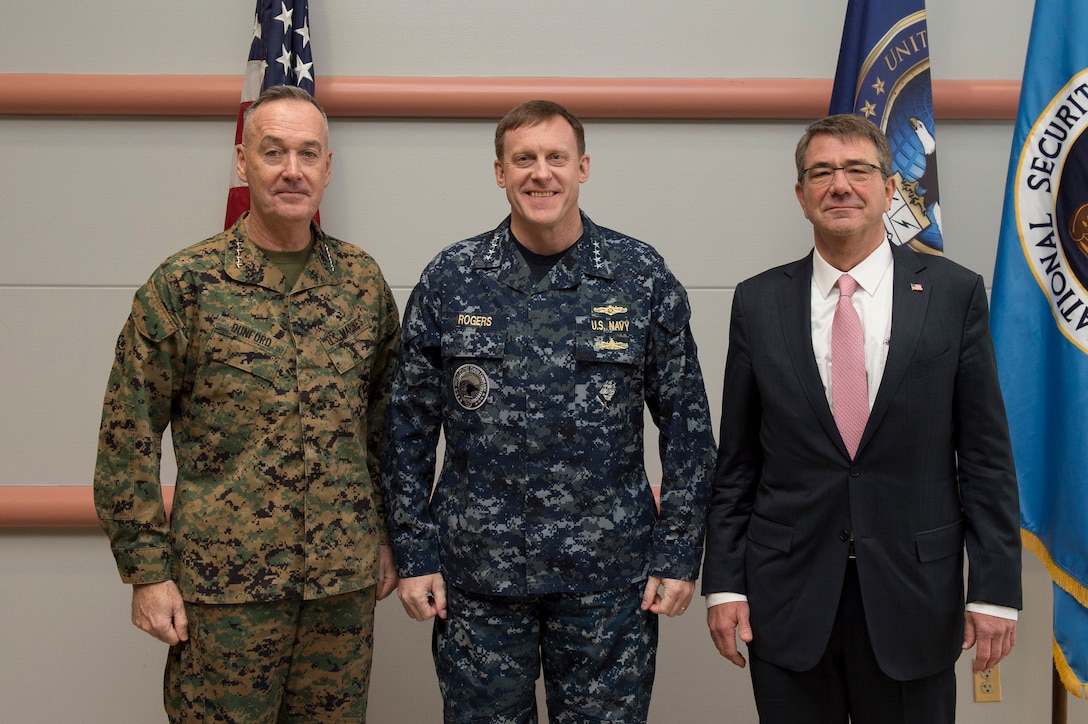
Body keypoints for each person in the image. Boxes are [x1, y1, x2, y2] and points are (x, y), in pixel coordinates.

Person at [381, 99, 715, 723]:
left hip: (607, 580)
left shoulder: (638, 277)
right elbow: (406, 429)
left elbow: (688, 427)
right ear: (500, 172)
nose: (541, 173)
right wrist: (414, 551)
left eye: (555, 157)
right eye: (524, 159)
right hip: (478, 579)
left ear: (582, 167)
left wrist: (677, 552)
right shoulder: (452, 278)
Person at [93, 85, 400, 722]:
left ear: (327, 167)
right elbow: (128, 437)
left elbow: (385, 425)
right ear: (243, 162)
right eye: (274, 152)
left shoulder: (362, 284)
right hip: (224, 595)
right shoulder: (185, 285)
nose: (293, 170)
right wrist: (148, 573)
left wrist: (385, 539)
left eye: (308, 153)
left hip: (338, 592)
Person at [702, 113, 1022, 723]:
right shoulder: (758, 301)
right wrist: (725, 583)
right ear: (801, 196)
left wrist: (994, 590)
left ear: (891, 189)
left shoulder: (955, 295)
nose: (839, 185)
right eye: (821, 172)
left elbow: (985, 457)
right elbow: (738, 461)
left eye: (858, 170)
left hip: (915, 596)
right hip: (787, 595)